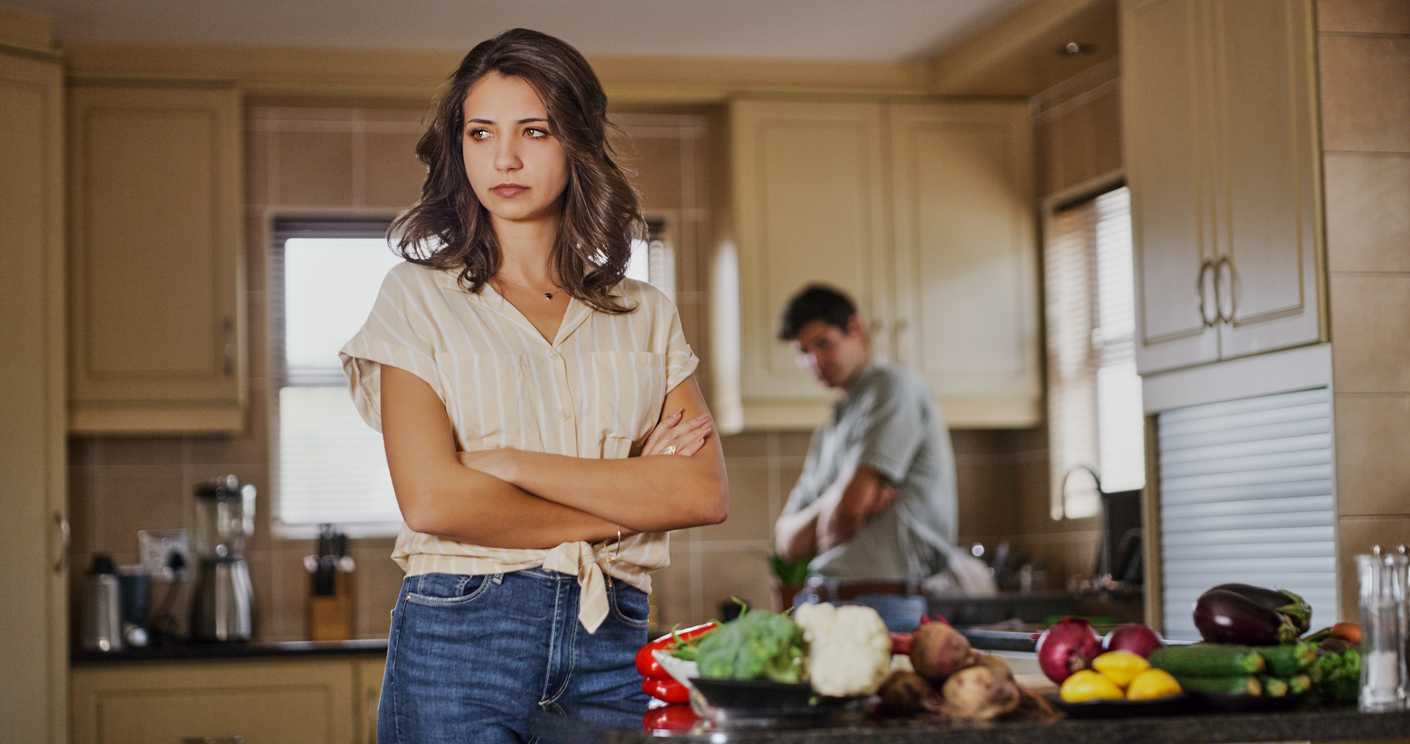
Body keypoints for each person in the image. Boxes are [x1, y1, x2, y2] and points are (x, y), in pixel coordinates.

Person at [337, 28, 728, 744]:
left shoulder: (645, 313)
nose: (505, 158)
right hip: (460, 637)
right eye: (481, 133)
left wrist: (513, 467)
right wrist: (629, 495)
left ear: (575, 142)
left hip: (615, 639)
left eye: (534, 131)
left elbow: (700, 494)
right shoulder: (415, 299)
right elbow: (434, 500)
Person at [771, 284, 959, 632]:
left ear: (855, 329)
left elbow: (846, 513)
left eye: (823, 343)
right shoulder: (830, 427)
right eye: (803, 351)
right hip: (821, 603)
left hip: (884, 607)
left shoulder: (892, 387)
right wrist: (836, 503)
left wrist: (841, 511)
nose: (814, 361)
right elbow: (785, 541)